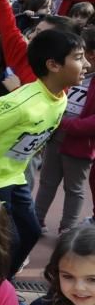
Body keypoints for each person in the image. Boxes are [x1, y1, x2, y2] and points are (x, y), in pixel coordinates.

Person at [0, 29, 87, 274]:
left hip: (15, 177)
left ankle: (2, 283)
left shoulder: (61, 98)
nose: (86, 64)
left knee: (31, 233)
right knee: (7, 241)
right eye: (79, 58)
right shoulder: (17, 104)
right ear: (53, 65)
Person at [36, 25, 95, 234]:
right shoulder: (68, 72)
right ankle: (36, 220)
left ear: (91, 54)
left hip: (80, 146)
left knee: (74, 189)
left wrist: (61, 122)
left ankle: (67, 229)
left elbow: (91, 124)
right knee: (47, 182)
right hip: (55, 139)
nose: (81, 62)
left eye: (81, 55)